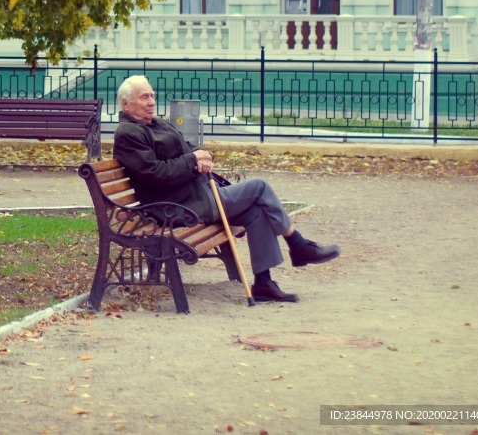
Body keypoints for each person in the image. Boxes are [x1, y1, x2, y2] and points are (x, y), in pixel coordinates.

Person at [113, 75, 340, 303]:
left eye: (152, 95)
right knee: (259, 187)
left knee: (256, 212)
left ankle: (263, 283)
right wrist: (193, 161)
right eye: (144, 97)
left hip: (194, 195)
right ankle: (298, 244)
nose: (151, 101)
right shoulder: (128, 134)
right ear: (126, 104)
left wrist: (202, 156)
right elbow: (155, 175)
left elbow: (188, 148)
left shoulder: (156, 124)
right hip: (177, 206)